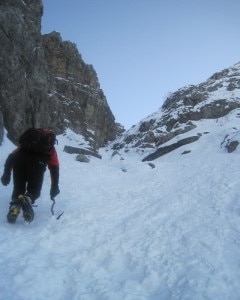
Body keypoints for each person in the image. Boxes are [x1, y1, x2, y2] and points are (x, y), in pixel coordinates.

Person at [1, 135, 60, 223]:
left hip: (19, 162)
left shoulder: (27, 143)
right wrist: (54, 186)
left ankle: (14, 208)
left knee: (18, 189)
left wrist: (7, 173)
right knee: (34, 191)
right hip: (37, 165)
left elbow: (12, 156)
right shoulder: (50, 149)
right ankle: (27, 199)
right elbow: (54, 167)